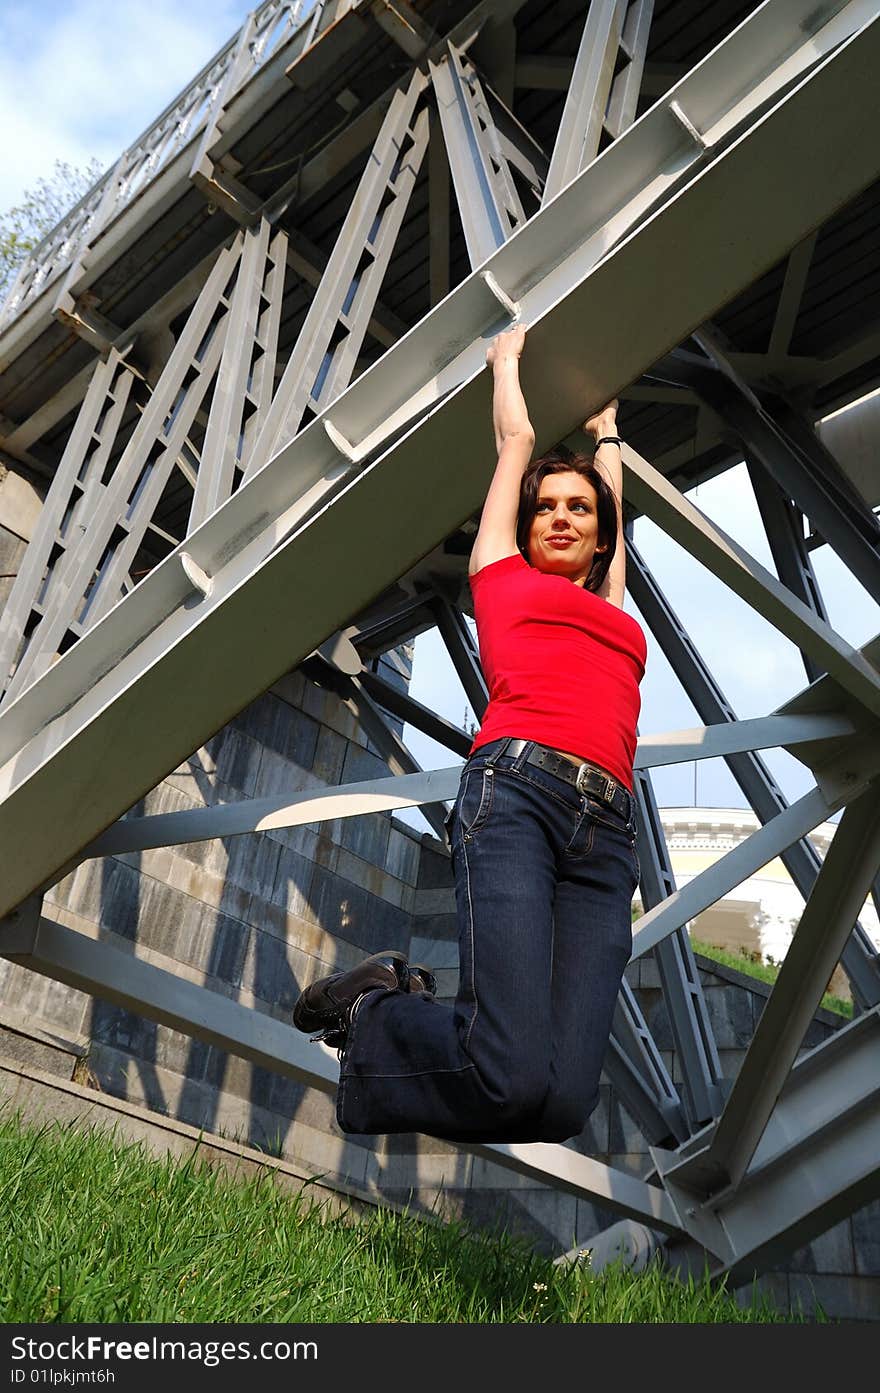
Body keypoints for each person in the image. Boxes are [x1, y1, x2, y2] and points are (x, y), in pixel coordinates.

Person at [293, 324, 646, 1144]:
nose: (562, 517)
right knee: (510, 1070)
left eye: (581, 509)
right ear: (522, 530)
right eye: (546, 508)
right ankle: (374, 1008)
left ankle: (379, 1018)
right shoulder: (502, 575)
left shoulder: (611, 606)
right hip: (516, 798)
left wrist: (608, 435)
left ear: (602, 536)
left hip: (607, 838)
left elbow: (615, 503)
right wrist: (506, 360)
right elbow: (517, 438)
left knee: (559, 1103)